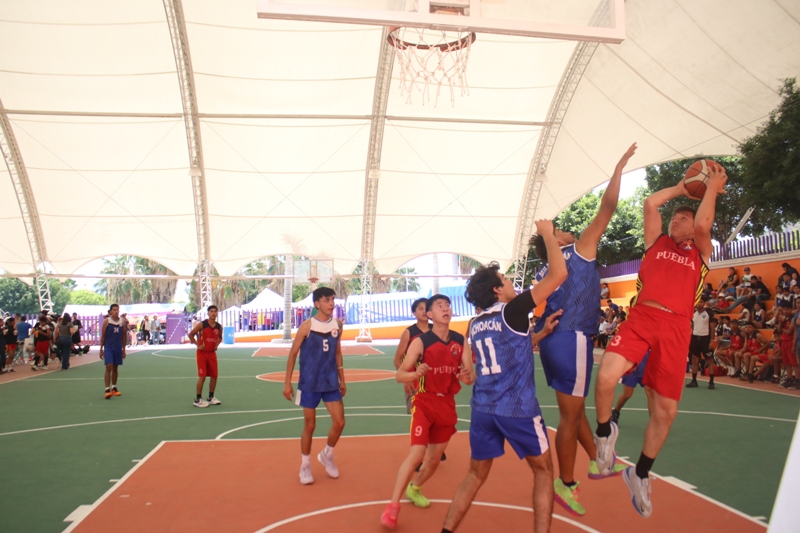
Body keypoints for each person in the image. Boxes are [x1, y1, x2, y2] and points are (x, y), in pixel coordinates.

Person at [592, 163, 726, 518]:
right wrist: (684, 187)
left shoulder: (699, 253)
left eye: (681, 219)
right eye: (675, 219)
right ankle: (605, 433)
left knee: (665, 412)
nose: (676, 222)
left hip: (677, 328)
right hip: (642, 318)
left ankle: (639, 474)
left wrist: (710, 187)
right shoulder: (657, 242)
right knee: (605, 377)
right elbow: (651, 204)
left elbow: (702, 225)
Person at [440, 218, 567, 533]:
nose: (512, 283)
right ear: (497, 289)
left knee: (475, 475)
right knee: (543, 472)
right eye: (506, 280)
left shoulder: (475, 324)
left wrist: (539, 335)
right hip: (517, 409)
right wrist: (548, 235)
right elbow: (559, 274)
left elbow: (486, 362)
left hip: (483, 409)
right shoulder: (514, 310)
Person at [530, 144, 637, 516]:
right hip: (573, 337)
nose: (565, 230)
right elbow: (606, 210)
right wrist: (619, 167)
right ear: (556, 244)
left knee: (572, 411)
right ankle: (566, 482)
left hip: (556, 342)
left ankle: (598, 460)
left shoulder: (544, 274)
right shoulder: (578, 252)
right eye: (559, 231)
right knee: (570, 417)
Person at [380, 294, 475, 529]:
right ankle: (392, 506)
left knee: (432, 461)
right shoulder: (421, 341)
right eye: (439, 306)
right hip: (424, 402)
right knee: (417, 455)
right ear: (430, 315)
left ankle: (415, 488)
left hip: (447, 406)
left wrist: (466, 376)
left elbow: (470, 377)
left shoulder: (460, 341)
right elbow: (399, 375)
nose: (446, 308)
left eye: (447, 305)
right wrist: (415, 374)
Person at [282, 287, 346, 485]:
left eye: (332, 300)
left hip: (330, 382)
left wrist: (342, 378)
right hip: (309, 383)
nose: (331, 304)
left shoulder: (338, 325)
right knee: (310, 425)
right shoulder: (307, 326)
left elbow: (337, 352)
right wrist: (287, 383)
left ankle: (327, 454)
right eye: (327, 300)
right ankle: (305, 465)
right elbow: (293, 354)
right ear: (317, 303)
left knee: (340, 422)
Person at [393, 297, 432, 414]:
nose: (424, 311)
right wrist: (406, 379)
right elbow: (397, 359)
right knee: (417, 418)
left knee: (436, 417)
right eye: (421, 309)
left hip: (434, 382)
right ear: (414, 313)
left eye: (426, 308)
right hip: (414, 382)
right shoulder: (408, 333)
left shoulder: (437, 330)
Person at [188, 305, 223, 407]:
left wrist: (216, 345)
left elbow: (220, 338)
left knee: (214, 376)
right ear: (208, 313)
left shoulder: (219, 327)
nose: (213, 313)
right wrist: (198, 345)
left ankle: (211, 397)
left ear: (217, 314)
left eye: (215, 311)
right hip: (202, 354)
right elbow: (191, 334)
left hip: (212, 353)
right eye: (211, 311)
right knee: (202, 376)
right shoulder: (202, 324)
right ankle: (198, 399)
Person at [611, 352, 652, 426]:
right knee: (627, 394)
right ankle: (616, 411)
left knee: (650, 393)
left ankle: (654, 421)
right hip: (631, 370)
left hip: (646, 368)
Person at [99, 304, 126, 399]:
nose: (116, 311)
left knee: (115, 367)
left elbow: (123, 336)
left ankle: (114, 387)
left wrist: (124, 349)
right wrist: (101, 350)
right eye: (114, 310)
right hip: (109, 347)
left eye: (117, 309)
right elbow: (103, 336)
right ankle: (107, 389)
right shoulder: (107, 321)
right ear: (110, 311)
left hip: (118, 347)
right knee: (108, 366)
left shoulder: (122, 322)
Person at [686, 300, 713, 389]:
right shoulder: (693, 313)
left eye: (701, 302)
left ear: (704, 303)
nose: (699, 304)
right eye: (697, 302)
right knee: (694, 359)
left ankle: (711, 381)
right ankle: (694, 381)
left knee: (709, 360)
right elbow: (692, 325)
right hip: (695, 338)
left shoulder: (709, 312)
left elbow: (712, 327)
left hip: (706, 338)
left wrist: (712, 340)